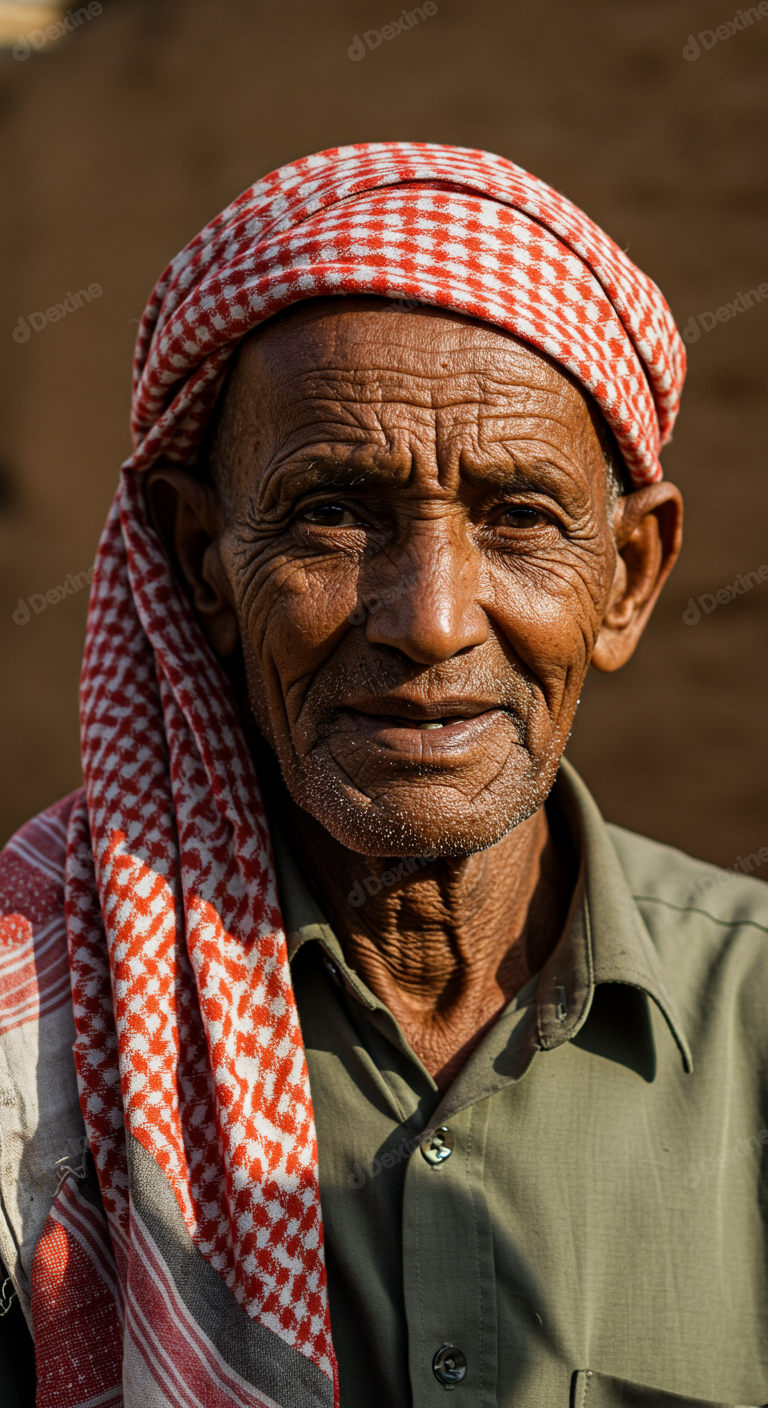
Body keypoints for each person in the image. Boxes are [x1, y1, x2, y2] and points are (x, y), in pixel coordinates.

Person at [0, 143, 766, 1408]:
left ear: (630, 575)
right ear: (204, 559)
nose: (431, 616)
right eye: (334, 511)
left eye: (519, 516)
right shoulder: (35, 1017)